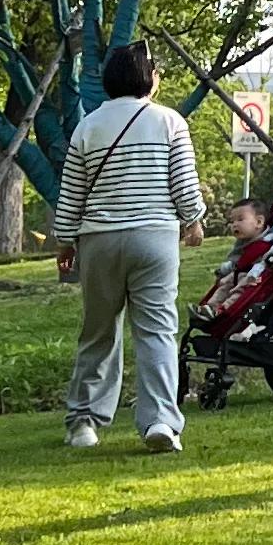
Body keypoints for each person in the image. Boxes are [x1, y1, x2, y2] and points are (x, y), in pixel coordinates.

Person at [53, 42, 209, 450]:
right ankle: (160, 422)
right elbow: (184, 186)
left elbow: (72, 192)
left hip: (99, 240)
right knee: (157, 331)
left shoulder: (87, 127)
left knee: (99, 330)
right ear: (149, 77)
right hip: (154, 238)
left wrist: (65, 239)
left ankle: (84, 423)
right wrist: (194, 219)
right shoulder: (170, 122)